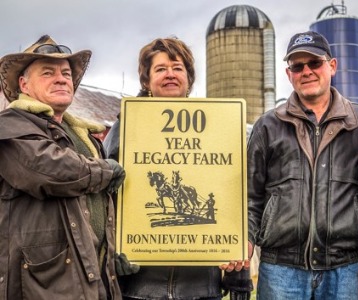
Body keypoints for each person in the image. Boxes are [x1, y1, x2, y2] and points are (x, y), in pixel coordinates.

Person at [103, 37, 253, 300]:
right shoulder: (125, 127)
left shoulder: (220, 126)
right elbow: (103, 198)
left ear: (189, 78)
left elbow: (238, 197)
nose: (169, 74)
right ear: (147, 81)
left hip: (200, 288)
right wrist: (112, 252)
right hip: (140, 287)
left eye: (177, 67)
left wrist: (237, 274)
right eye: (160, 69)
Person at [245, 31, 358, 299]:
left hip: (345, 268)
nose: (306, 71)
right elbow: (251, 195)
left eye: (314, 63)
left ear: (332, 66)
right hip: (281, 268)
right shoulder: (268, 126)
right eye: (297, 66)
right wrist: (244, 239)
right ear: (288, 73)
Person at [0, 35, 125, 299]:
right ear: (24, 84)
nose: (61, 79)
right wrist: (105, 170)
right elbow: (48, 169)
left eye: (66, 73)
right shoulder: (10, 126)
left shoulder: (84, 137)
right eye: (48, 72)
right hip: (42, 285)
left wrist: (113, 257)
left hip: (93, 280)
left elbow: (97, 209)